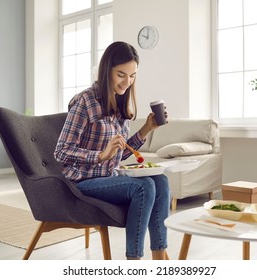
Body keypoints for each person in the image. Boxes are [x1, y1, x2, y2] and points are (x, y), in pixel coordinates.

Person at [54, 41, 170, 260]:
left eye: (133, 75)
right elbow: (61, 151)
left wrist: (146, 129)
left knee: (160, 181)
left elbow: (120, 153)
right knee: (144, 187)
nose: (127, 82)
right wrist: (100, 155)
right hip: (81, 181)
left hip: (108, 177)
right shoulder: (85, 101)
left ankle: (159, 258)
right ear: (107, 70)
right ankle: (133, 261)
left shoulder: (119, 103)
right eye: (121, 74)